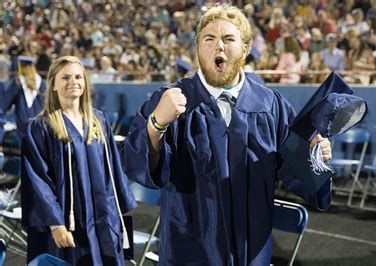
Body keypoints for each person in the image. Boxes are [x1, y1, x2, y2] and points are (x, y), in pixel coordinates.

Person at [121, 5, 332, 265]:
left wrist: (317, 157)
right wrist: (156, 125)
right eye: (209, 39)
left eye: (228, 39)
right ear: (198, 47)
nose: (218, 46)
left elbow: (296, 172)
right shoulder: (171, 99)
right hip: (189, 249)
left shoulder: (270, 105)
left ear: (245, 48)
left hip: (251, 249)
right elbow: (137, 164)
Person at [21, 56, 136, 265]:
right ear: (53, 84)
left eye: (78, 77)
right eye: (65, 77)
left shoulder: (99, 121)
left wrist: (117, 218)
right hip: (68, 223)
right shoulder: (41, 127)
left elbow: (114, 173)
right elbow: (38, 180)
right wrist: (55, 224)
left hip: (104, 219)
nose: (73, 82)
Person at [1, 55, 45, 138]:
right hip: (40, 125)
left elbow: (4, 104)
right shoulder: (42, 83)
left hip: (23, 125)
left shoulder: (18, 83)